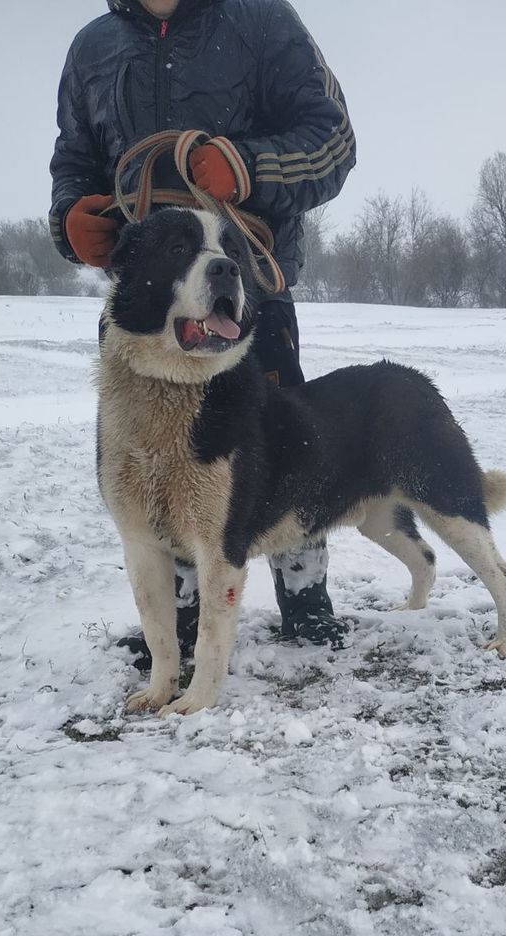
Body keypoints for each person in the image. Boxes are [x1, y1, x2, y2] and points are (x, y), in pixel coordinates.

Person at [50, 0, 356, 664]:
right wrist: (70, 219)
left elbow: (331, 141)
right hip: (142, 310)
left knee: (284, 449)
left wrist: (249, 166)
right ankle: (181, 620)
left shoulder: (262, 22)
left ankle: (306, 602)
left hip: (249, 296)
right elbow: (74, 162)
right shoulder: (93, 47)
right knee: (150, 462)